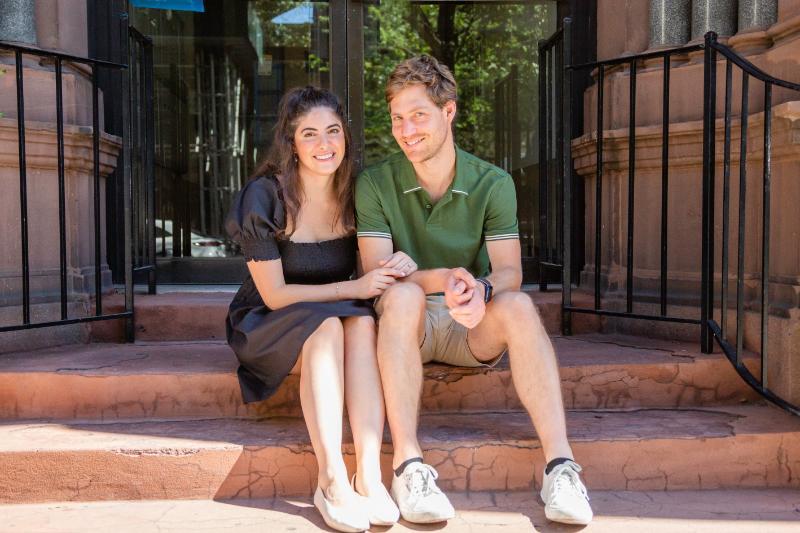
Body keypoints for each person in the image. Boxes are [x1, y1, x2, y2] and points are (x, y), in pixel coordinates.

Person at [355, 55, 593, 526]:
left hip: (471, 327)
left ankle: (560, 467)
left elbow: (509, 272)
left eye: (419, 115)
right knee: (401, 295)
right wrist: (444, 278)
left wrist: (479, 289)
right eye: (398, 118)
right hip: (410, 326)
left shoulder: (493, 182)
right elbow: (377, 275)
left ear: (449, 111)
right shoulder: (375, 183)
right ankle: (408, 465)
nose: (407, 130)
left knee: (520, 306)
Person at [225, 86, 412, 532]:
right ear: (291, 142)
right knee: (329, 327)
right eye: (309, 134)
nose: (324, 144)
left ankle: (367, 474)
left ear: (345, 136)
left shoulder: (356, 192)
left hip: (333, 308)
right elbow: (274, 295)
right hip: (266, 317)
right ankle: (330, 478)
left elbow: (372, 268)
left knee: (362, 326)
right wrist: (354, 287)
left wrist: (400, 263)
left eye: (333, 131)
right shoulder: (264, 196)